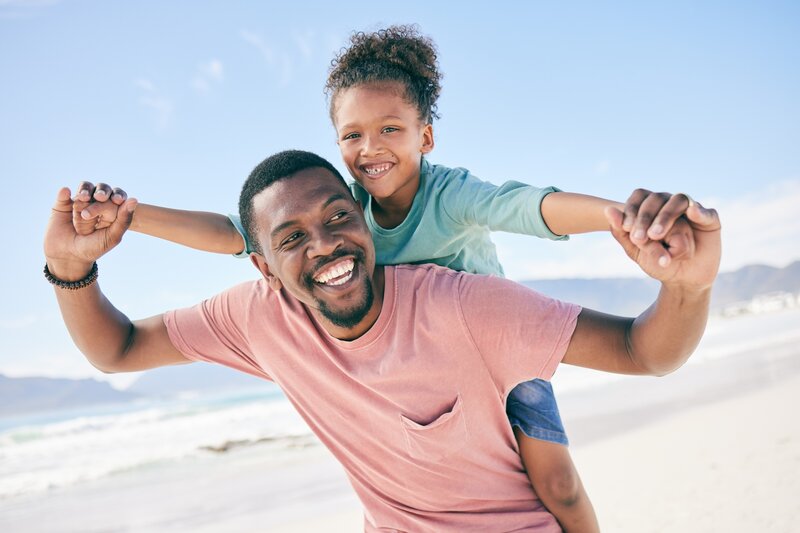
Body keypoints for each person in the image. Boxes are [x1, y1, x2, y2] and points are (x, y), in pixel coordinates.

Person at [78, 26, 697, 532]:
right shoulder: (343, 205)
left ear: (426, 136)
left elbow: (529, 207)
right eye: (353, 135)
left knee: (557, 482)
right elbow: (237, 235)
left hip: (497, 349)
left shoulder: (449, 195)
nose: (371, 148)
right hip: (420, 365)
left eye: (391, 130)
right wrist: (133, 218)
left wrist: (618, 218)